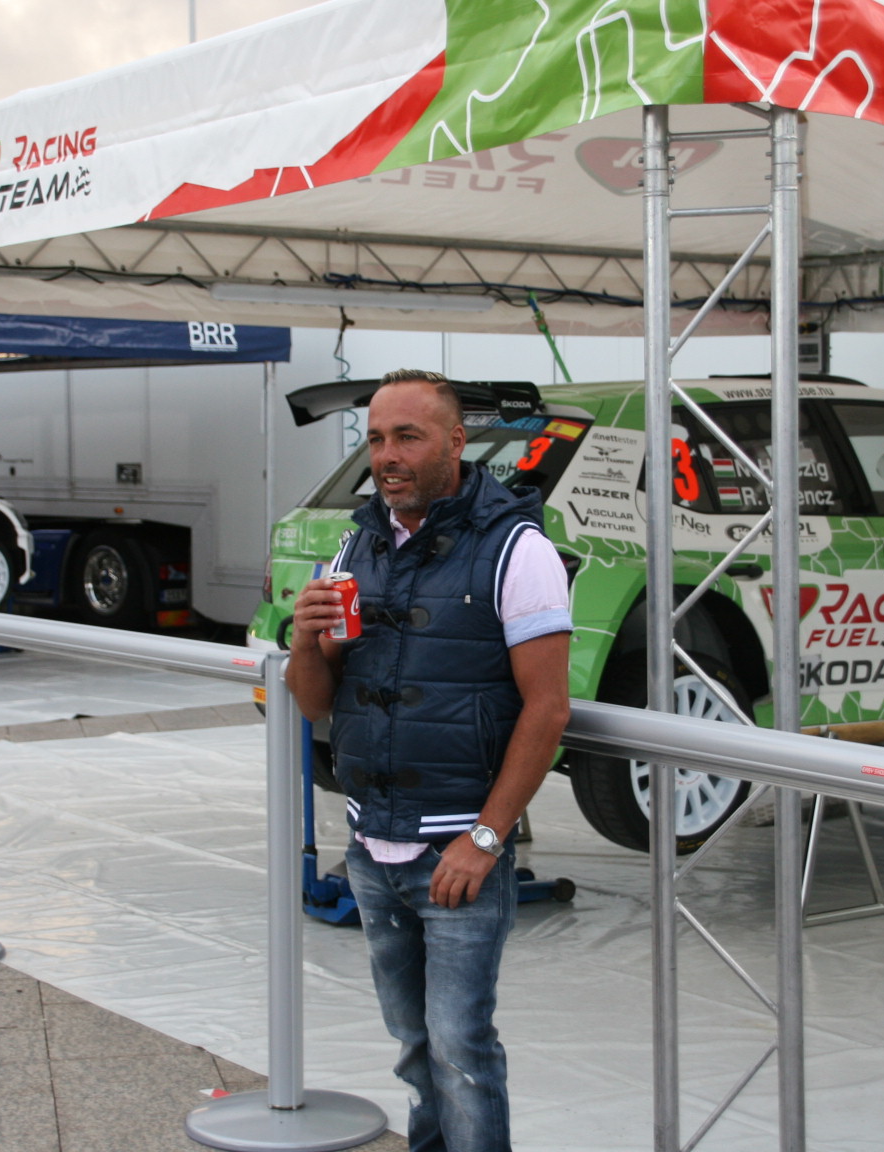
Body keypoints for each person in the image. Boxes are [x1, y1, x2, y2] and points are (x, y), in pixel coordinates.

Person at [287, 369, 572, 1152]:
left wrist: (485, 839)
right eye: (376, 439)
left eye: (407, 437)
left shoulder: (517, 549)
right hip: (371, 847)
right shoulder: (356, 545)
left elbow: (548, 709)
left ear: (455, 441)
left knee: (460, 1051)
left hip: (457, 852)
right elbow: (313, 702)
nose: (387, 456)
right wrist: (303, 639)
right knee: (415, 1049)